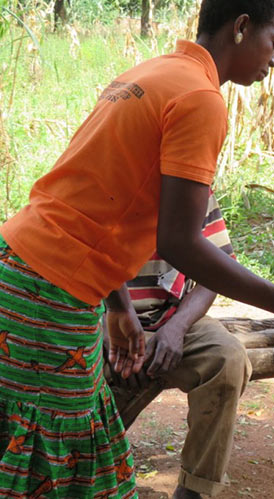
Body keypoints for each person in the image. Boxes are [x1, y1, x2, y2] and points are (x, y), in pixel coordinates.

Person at [0, 0, 274, 498]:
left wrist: (118, 307)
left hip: (25, 266)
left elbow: (95, 199)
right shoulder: (201, 99)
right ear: (241, 26)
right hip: (52, 291)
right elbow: (180, 241)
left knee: (50, 446)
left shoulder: (150, 74)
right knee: (58, 464)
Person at [105, 191, 249, 499]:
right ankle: (86, 476)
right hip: (105, 321)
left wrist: (178, 327)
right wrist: (109, 333)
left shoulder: (195, 190)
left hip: (173, 319)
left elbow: (215, 273)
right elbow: (78, 263)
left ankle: (194, 487)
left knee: (228, 359)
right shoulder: (110, 180)